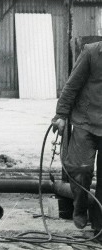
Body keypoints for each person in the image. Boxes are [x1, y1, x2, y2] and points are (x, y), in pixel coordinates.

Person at [52, 40, 102, 234]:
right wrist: (61, 115)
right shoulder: (91, 53)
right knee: (80, 170)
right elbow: (71, 85)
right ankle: (80, 207)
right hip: (85, 121)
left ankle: (98, 225)